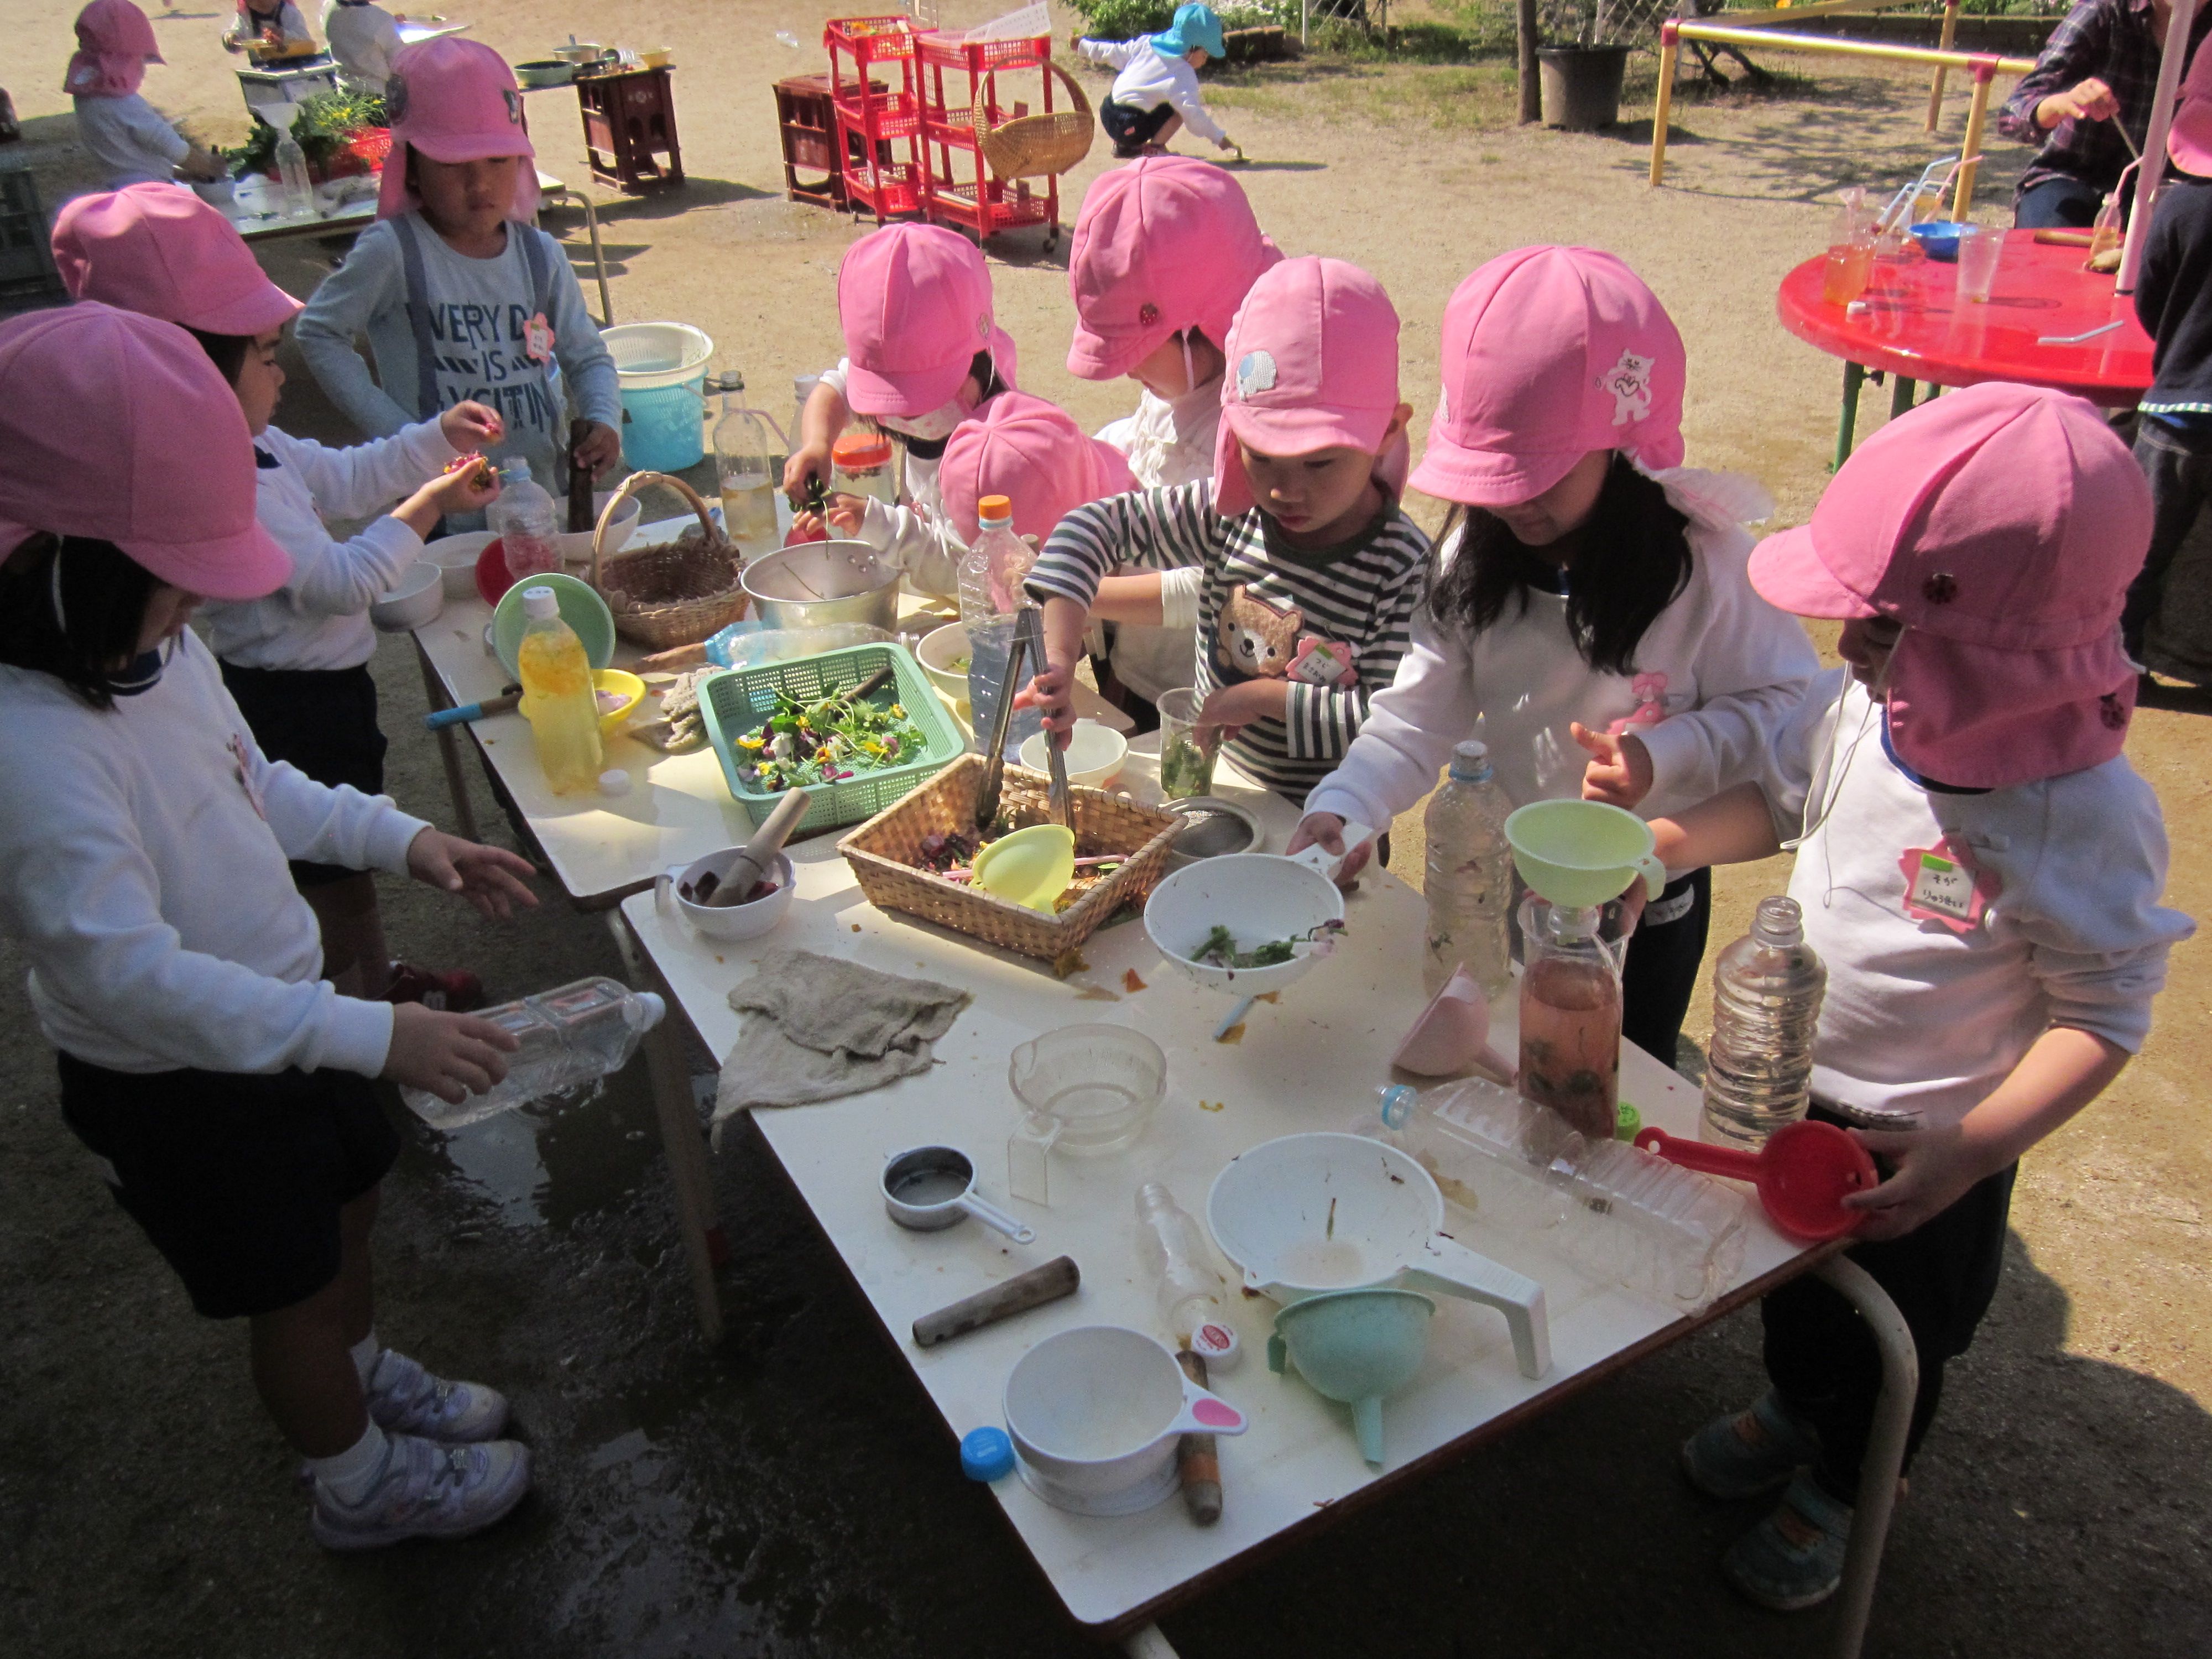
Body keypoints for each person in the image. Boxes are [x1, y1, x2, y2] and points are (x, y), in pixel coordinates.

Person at [1637, 383, 2191, 1610]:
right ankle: (1793, 1410)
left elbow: (2102, 1013)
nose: (1848, 650)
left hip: (1930, 1138)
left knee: (1896, 1336)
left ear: (2006, 653)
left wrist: (1966, 1150)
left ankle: (1849, 1480)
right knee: (1793, 1293)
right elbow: (1781, 804)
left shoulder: (2079, 814)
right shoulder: (1868, 712)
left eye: (1884, 629)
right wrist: (1662, 847)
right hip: (1799, 1082)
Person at [0, 301, 545, 1550]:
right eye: (181, 572)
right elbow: (135, 982)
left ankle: (358, 1371)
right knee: (286, 1292)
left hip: (296, 1017)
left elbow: (267, 785)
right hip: (187, 1078)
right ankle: (354, 1482)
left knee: (347, 1208)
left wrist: (410, 841)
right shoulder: (36, 749)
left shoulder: (155, 653)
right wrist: (370, 1035)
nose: (200, 598)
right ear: (63, 562)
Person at [1286, 247, 1819, 1065]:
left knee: (1610, 1081)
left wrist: (1662, 754)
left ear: (1626, 444)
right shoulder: (1475, 553)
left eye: (1537, 473)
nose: (1513, 500)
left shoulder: (1708, 569)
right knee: (1502, 1054)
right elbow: (1412, 722)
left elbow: (1794, 716)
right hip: (1498, 879)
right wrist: (1348, 804)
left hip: (1645, 894)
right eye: (1493, 476)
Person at [53, 182, 504, 1006]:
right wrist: (432, 502)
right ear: (187, 370)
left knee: (347, 873)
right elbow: (339, 582)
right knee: (327, 888)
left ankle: (370, 991)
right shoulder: (228, 492)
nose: (281, 372)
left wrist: (433, 442)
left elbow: (342, 475)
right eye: (265, 353)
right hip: (290, 700)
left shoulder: (261, 450)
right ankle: (350, 1000)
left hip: (327, 691)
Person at [1021, 255, 1431, 808]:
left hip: (1330, 816)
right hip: (1221, 786)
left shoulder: (1401, 566)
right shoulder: (1231, 514)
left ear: (1386, 431)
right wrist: (1060, 661)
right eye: (1261, 457)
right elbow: (1088, 529)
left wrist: (1262, 697)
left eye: (1319, 464)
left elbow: (1387, 723)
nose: (1286, 491)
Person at [296, 37, 620, 503]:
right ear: (411, 168)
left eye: (498, 160)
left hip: (543, 497)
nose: (480, 183)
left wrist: (604, 419)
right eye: (454, 164)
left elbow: (587, 358)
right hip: (441, 510)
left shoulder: (540, 255)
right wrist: (401, 439)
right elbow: (319, 332)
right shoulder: (394, 252)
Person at [1064, 155, 1281, 726]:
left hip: (1210, 700)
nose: (1124, 370)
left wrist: (1081, 588)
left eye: (1133, 353)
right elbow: (1150, 438)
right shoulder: (1182, 379)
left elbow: (1212, 581)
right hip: (1136, 666)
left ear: (1199, 330)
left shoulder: (1260, 429)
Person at [782, 223, 1020, 599]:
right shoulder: (949, 370)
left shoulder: (997, 453)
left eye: (919, 394)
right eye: (888, 396)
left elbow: (967, 576)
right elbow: (833, 389)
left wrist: (876, 522)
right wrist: (817, 445)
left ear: (979, 359)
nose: (905, 418)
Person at [2120, 44, 2212, 672]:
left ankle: (2115, 652)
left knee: (2140, 547)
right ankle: (2194, 658)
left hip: (2176, 409)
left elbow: (2150, 306)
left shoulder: (2179, 207)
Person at [1998, 0, 2212, 228]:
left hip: (2174, 185)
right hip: (2072, 174)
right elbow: (2014, 112)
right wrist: (2063, 102)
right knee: (2049, 245)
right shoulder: (2103, 10)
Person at [64, 0, 225, 190]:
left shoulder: (87, 96)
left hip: (120, 188)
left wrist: (182, 173)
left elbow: (127, 156)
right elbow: (169, 145)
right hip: (151, 192)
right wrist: (209, 166)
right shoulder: (123, 103)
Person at [1079, 4, 1235, 160]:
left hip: (1108, 113)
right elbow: (1193, 116)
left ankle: (1126, 146)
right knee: (1179, 110)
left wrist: (1082, 46)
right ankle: (1155, 148)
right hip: (1131, 125)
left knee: (1139, 98)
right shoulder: (1183, 73)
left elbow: (1113, 51)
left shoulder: (1146, 43)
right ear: (1192, 49)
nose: (1205, 61)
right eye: (1205, 54)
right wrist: (1220, 138)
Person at [322, 0, 404, 87]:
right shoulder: (379, 19)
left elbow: (354, 30)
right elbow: (401, 64)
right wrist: (392, 26)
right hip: (381, 92)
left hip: (345, 89)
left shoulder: (328, 6)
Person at [223, 0, 314, 55]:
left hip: (293, 66)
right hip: (260, 67)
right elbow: (236, 33)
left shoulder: (289, 12)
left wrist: (284, 34)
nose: (260, 1)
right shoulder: (246, 15)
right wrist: (231, 38)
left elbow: (306, 39)